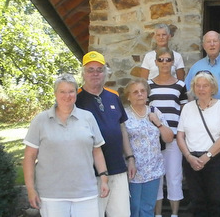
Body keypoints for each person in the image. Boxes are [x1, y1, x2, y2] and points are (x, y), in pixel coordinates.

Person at [23, 74, 110, 217]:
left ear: (76, 93)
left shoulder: (88, 117)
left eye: (71, 91)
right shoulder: (40, 120)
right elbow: (29, 157)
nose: (67, 95)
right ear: (55, 93)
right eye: (62, 91)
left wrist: (104, 179)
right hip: (52, 194)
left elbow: (97, 151)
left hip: (86, 192)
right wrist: (31, 189)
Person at [75, 51, 136, 217]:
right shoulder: (76, 99)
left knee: (122, 214)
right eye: (90, 70)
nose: (95, 73)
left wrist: (130, 158)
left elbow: (121, 128)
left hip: (117, 168)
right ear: (83, 73)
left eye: (99, 69)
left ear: (106, 73)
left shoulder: (113, 96)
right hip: (90, 173)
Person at [177, 71, 220, 217]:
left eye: (205, 86)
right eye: (198, 86)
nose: (201, 89)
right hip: (191, 160)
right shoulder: (187, 108)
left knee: (215, 201)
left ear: (212, 88)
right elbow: (180, 136)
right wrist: (188, 157)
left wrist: (207, 156)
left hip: (213, 159)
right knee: (196, 201)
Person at [147, 47, 188, 217]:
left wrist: (182, 134)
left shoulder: (180, 85)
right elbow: (145, 110)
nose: (164, 63)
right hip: (153, 139)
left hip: (174, 138)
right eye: (161, 59)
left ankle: (174, 214)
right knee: (157, 178)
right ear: (156, 62)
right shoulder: (148, 85)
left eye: (168, 60)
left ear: (173, 62)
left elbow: (185, 111)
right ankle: (157, 214)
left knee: (174, 177)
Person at [124, 78, 174, 217]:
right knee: (134, 207)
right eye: (135, 92)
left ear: (147, 93)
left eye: (142, 91)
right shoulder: (125, 115)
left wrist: (158, 123)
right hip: (133, 170)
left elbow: (169, 138)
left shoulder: (155, 111)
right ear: (128, 96)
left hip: (153, 168)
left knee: (148, 207)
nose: (140, 94)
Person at [184, 30, 220, 111]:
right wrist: (196, 111)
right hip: (201, 112)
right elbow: (188, 90)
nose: (212, 44)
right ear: (204, 46)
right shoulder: (196, 67)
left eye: (215, 41)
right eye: (208, 42)